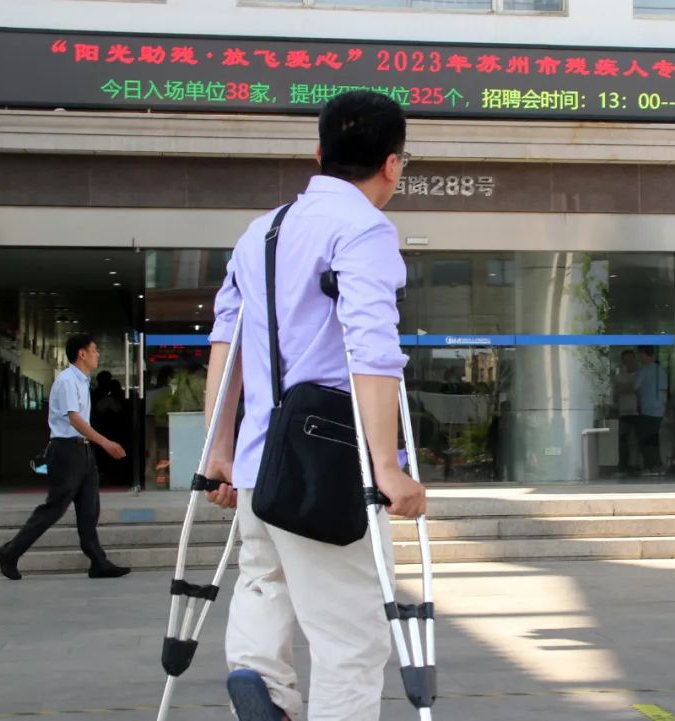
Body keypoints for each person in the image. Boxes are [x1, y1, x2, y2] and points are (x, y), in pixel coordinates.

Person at [201, 90, 426, 721]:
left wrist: (218, 452)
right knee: (351, 639)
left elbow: (227, 340)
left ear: (318, 153)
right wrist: (386, 467)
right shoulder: (363, 229)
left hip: (257, 464)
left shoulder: (262, 232)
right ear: (392, 164)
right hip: (328, 468)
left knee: (263, 580)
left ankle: (261, 680)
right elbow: (372, 349)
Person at [0, 334, 130, 581]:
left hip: (83, 450)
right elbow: (75, 419)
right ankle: (10, 552)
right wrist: (106, 443)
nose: (98, 354)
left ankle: (98, 562)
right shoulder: (67, 380)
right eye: (95, 350)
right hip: (66, 450)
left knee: (89, 508)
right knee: (54, 508)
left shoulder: (83, 381)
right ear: (82, 354)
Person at [634, 345, 668, 474]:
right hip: (659, 410)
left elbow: (635, 387)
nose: (639, 357)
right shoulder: (661, 371)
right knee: (653, 439)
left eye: (639, 354)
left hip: (647, 409)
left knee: (645, 439)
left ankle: (650, 466)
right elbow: (664, 391)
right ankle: (657, 466)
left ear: (643, 353)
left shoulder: (643, 371)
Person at [613, 349, 639, 473]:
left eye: (630, 359)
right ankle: (624, 466)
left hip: (638, 412)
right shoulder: (620, 375)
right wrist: (630, 386)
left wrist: (626, 386)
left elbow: (637, 389)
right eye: (626, 359)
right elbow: (617, 391)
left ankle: (637, 465)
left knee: (638, 441)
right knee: (624, 441)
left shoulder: (640, 373)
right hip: (624, 412)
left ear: (634, 359)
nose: (628, 362)